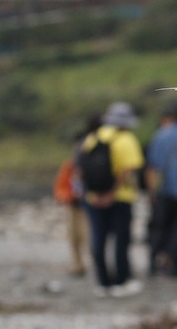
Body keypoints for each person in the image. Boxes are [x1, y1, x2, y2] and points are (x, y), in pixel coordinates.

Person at [81, 102, 145, 297]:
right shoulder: (126, 139)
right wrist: (111, 194)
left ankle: (102, 282)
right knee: (121, 239)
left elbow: (83, 167)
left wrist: (97, 195)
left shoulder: (93, 137)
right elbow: (127, 171)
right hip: (120, 198)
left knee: (99, 238)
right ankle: (121, 280)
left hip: (94, 197)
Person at [146, 104, 177, 277]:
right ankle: (174, 264)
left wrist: (151, 193)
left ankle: (152, 263)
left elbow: (152, 166)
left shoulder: (161, 134)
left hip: (162, 190)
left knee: (159, 227)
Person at [53, 128, 89, 277]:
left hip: (86, 205)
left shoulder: (88, 164)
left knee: (85, 234)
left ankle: (87, 262)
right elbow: (60, 186)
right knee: (73, 235)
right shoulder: (69, 166)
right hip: (71, 204)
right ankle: (77, 264)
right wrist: (66, 196)